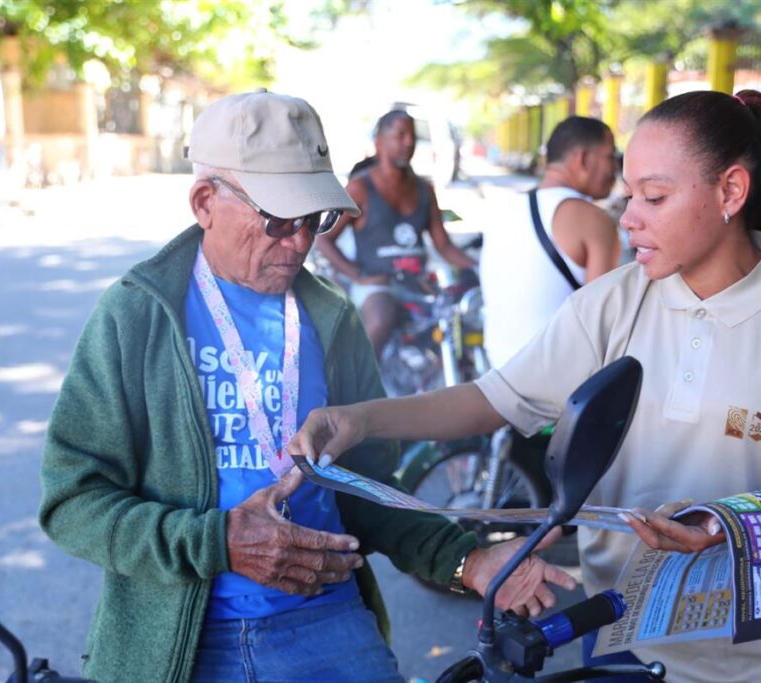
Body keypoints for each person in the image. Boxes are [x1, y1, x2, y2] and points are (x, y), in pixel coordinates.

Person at [291, 90, 761, 683]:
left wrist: (723, 525)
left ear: (730, 191)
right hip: (618, 631)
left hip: (749, 659)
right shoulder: (614, 302)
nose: (627, 218)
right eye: (627, 195)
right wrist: (359, 420)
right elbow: (492, 398)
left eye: (654, 197)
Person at [38, 90, 576, 683]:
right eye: (277, 219)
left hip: (325, 619)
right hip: (179, 636)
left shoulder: (332, 320)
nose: (299, 242)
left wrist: (466, 560)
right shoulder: (135, 316)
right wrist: (219, 542)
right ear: (205, 202)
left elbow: (368, 490)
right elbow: (73, 501)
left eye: (314, 219)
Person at [315, 109, 476, 357]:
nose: (409, 142)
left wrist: (479, 268)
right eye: (400, 135)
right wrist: (358, 275)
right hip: (377, 285)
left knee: (460, 325)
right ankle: (359, 387)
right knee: (380, 319)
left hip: (417, 284)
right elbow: (324, 238)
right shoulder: (360, 188)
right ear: (380, 141)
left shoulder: (424, 190)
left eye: (411, 135)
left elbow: (444, 246)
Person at [481, 115, 619, 369]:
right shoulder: (594, 220)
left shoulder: (505, 209)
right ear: (584, 159)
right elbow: (604, 323)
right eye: (611, 156)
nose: (616, 168)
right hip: (552, 382)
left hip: (497, 371)